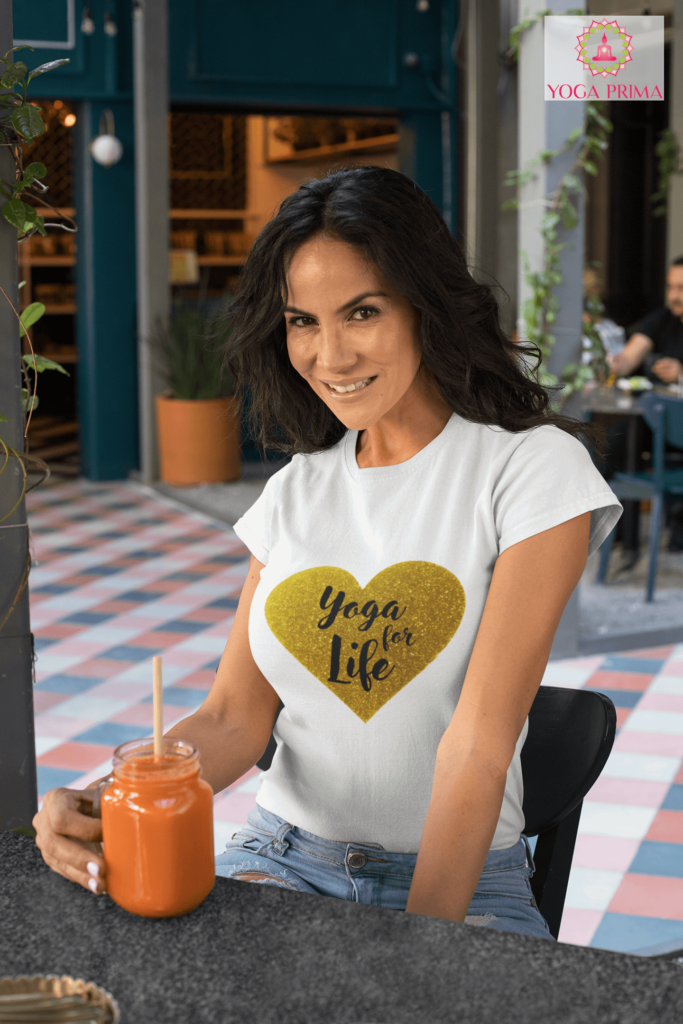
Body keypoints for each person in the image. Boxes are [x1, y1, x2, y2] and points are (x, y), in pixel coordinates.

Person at [33, 167, 621, 940]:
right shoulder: (294, 490)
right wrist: (108, 799)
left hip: (462, 882)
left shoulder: (529, 469)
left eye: (362, 312)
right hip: (278, 857)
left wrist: (413, 951)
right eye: (302, 321)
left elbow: (476, 747)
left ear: (425, 307)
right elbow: (233, 717)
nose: (329, 355)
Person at [608, 256, 683, 384]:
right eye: (669, 287)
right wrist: (613, 364)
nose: (672, 296)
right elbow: (629, 357)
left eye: (681, 288)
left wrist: (681, 375)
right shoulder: (661, 319)